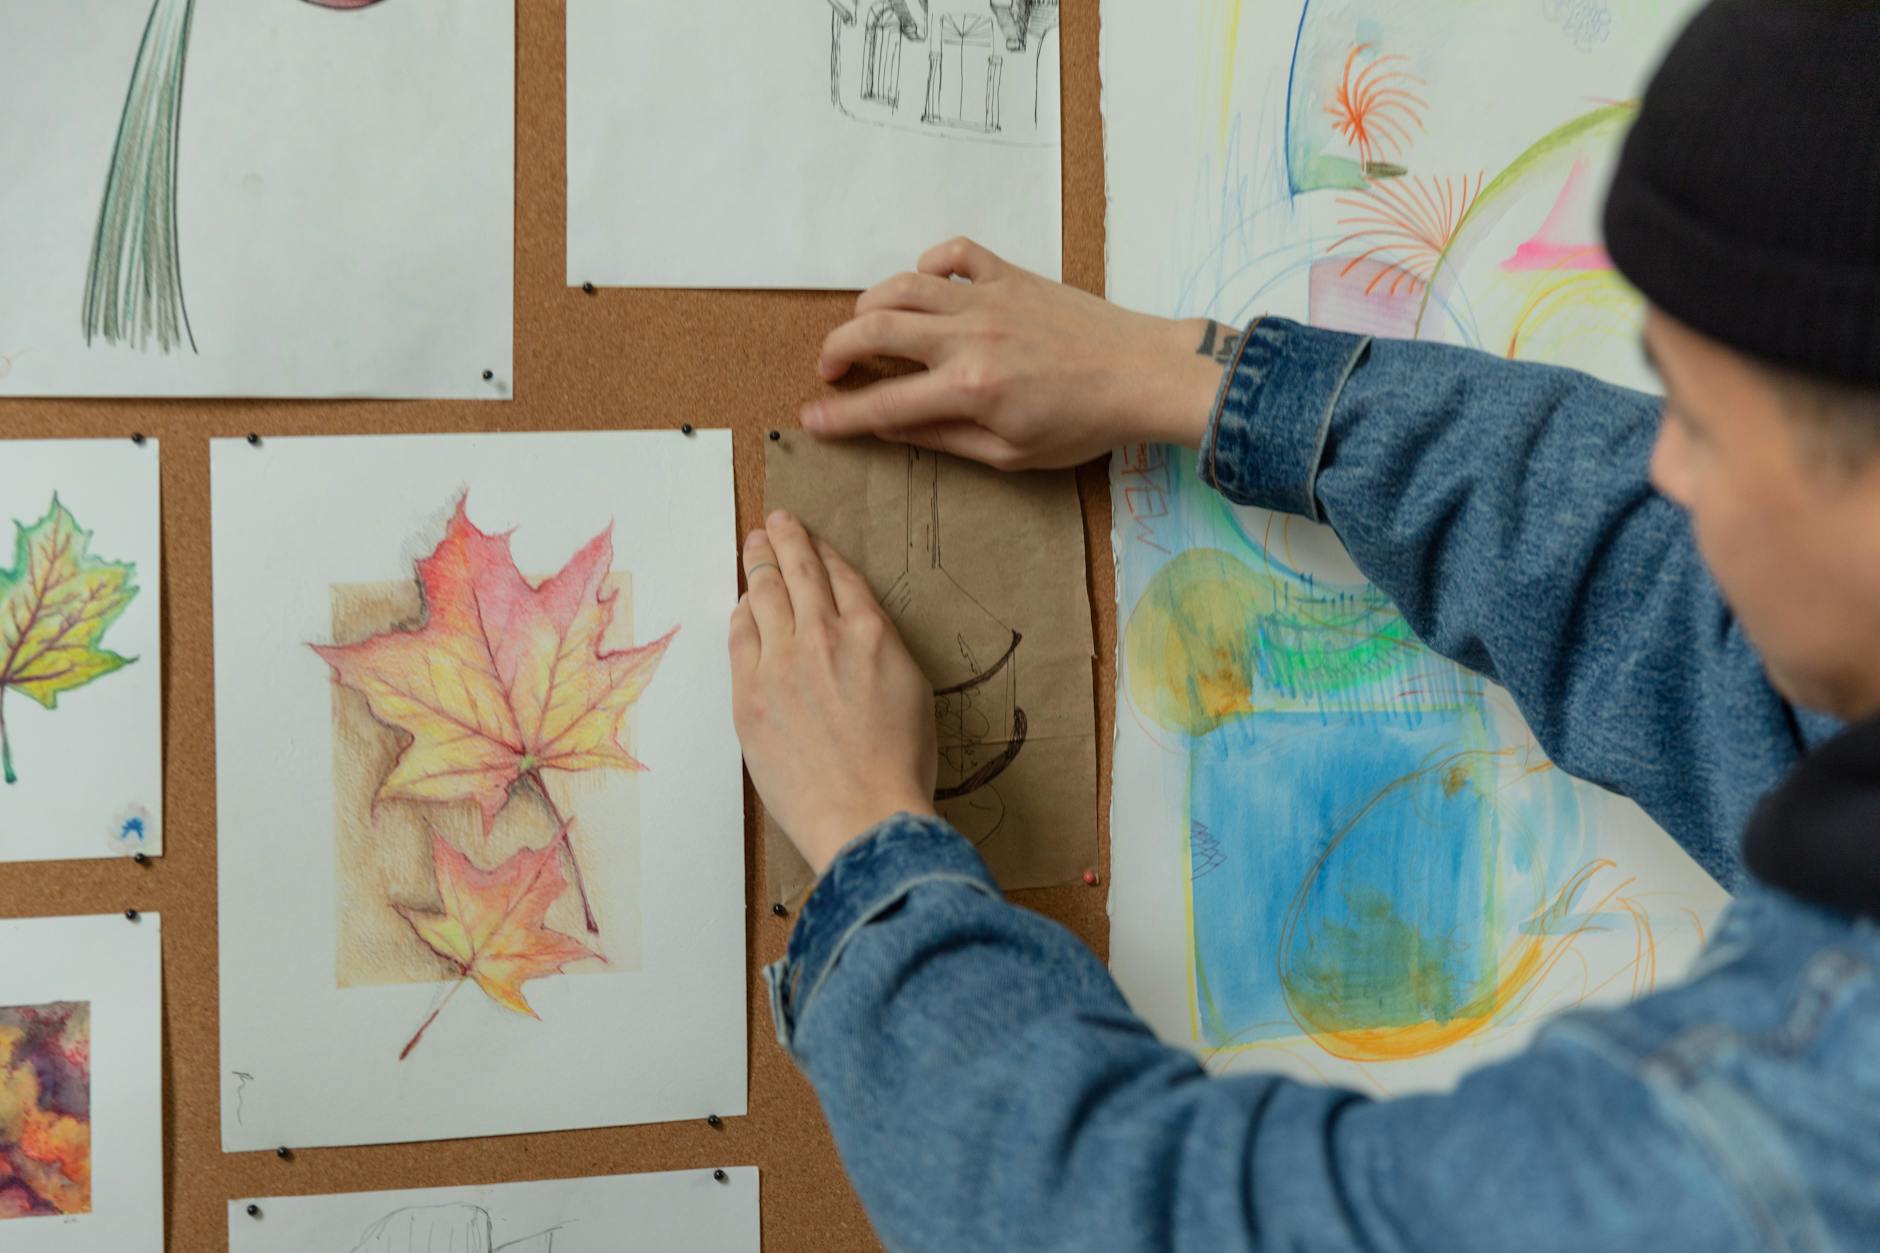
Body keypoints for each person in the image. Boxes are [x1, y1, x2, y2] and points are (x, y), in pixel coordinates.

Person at [728, 1, 1880, 1247]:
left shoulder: (1808, 1117)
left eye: (1699, 423)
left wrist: (867, 846)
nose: (1668, 473)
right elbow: (1665, 612)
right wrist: (1209, 380)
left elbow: (1191, 1224)